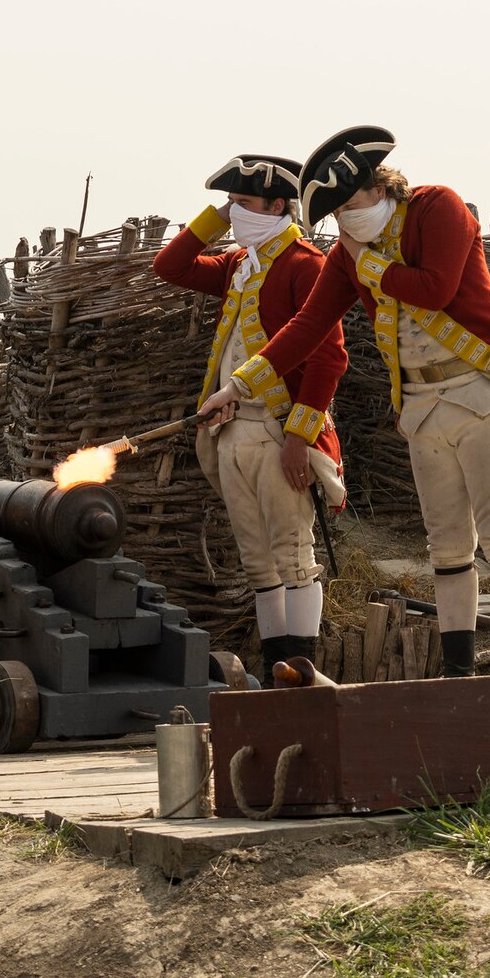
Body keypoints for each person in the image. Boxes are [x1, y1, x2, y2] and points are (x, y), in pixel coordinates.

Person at [200, 127, 490, 677]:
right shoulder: (351, 250)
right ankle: (458, 673)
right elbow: (309, 326)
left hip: (484, 392)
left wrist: (365, 262)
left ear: (379, 188)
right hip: (422, 406)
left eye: (349, 206)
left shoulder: (436, 207)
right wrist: (239, 384)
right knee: (446, 550)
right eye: (336, 217)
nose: (346, 224)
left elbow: (435, 289)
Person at [153, 155, 348, 681]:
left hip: (279, 428)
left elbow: (329, 355)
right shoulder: (241, 263)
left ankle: (303, 671)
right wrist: (214, 218)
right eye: (231, 204)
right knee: (258, 564)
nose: (234, 213)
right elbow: (168, 266)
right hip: (231, 433)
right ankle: (277, 667)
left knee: (293, 556)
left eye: (243, 203)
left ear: (277, 206)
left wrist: (299, 435)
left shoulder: (304, 264)